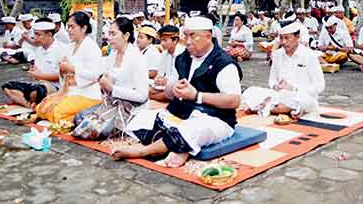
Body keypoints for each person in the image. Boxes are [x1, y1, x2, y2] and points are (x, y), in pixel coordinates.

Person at [112, 16, 242, 168]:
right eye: (185, 36)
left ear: (208, 36)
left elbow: (234, 100)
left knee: (193, 129)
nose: (187, 41)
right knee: (142, 117)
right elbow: (170, 90)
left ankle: (143, 151)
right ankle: (175, 147)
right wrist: (173, 89)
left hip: (215, 118)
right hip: (182, 112)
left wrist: (196, 96)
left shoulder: (223, 62)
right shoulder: (182, 58)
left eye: (193, 36)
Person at [71, 16, 149, 140]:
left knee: (94, 130)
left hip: (130, 109)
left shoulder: (137, 58)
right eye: (109, 34)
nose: (109, 38)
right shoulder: (112, 54)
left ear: (126, 35)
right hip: (111, 104)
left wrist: (113, 89)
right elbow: (98, 75)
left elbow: (142, 96)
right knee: (78, 118)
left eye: (113, 34)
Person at [243, 22, 324, 117]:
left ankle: (262, 107)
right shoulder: (277, 55)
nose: (283, 42)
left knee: (297, 102)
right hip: (280, 96)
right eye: (281, 38)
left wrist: (293, 88)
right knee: (251, 91)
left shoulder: (309, 55)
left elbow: (320, 86)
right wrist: (276, 86)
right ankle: (270, 107)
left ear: (297, 37)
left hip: (301, 97)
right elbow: (272, 81)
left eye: (287, 38)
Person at [35, 12, 104, 123]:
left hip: (87, 94)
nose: (68, 30)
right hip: (70, 91)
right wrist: (62, 70)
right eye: (68, 26)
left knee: (56, 112)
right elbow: (64, 73)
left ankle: (80, 120)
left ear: (84, 28)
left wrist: (71, 69)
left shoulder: (91, 47)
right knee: (41, 108)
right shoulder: (69, 47)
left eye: (72, 27)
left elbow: (95, 75)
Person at [1, 18, 65, 107]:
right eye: (35, 34)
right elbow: (37, 69)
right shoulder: (38, 50)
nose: (35, 38)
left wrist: (39, 76)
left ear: (49, 34)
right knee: (8, 86)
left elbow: (62, 76)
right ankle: (28, 104)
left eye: (39, 35)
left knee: (38, 91)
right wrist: (33, 70)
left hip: (54, 87)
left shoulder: (61, 50)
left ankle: (29, 100)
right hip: (38, 83)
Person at [149, 24, 186, 101]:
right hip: (164, 87)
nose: (162, 43)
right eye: (161, 40)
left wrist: (167, 81)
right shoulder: (164, 53)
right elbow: (160, 73)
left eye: (165, 40)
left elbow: (181, 79)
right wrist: (158, 79)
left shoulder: (183, 54)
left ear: (175, 40)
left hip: (178, 88)